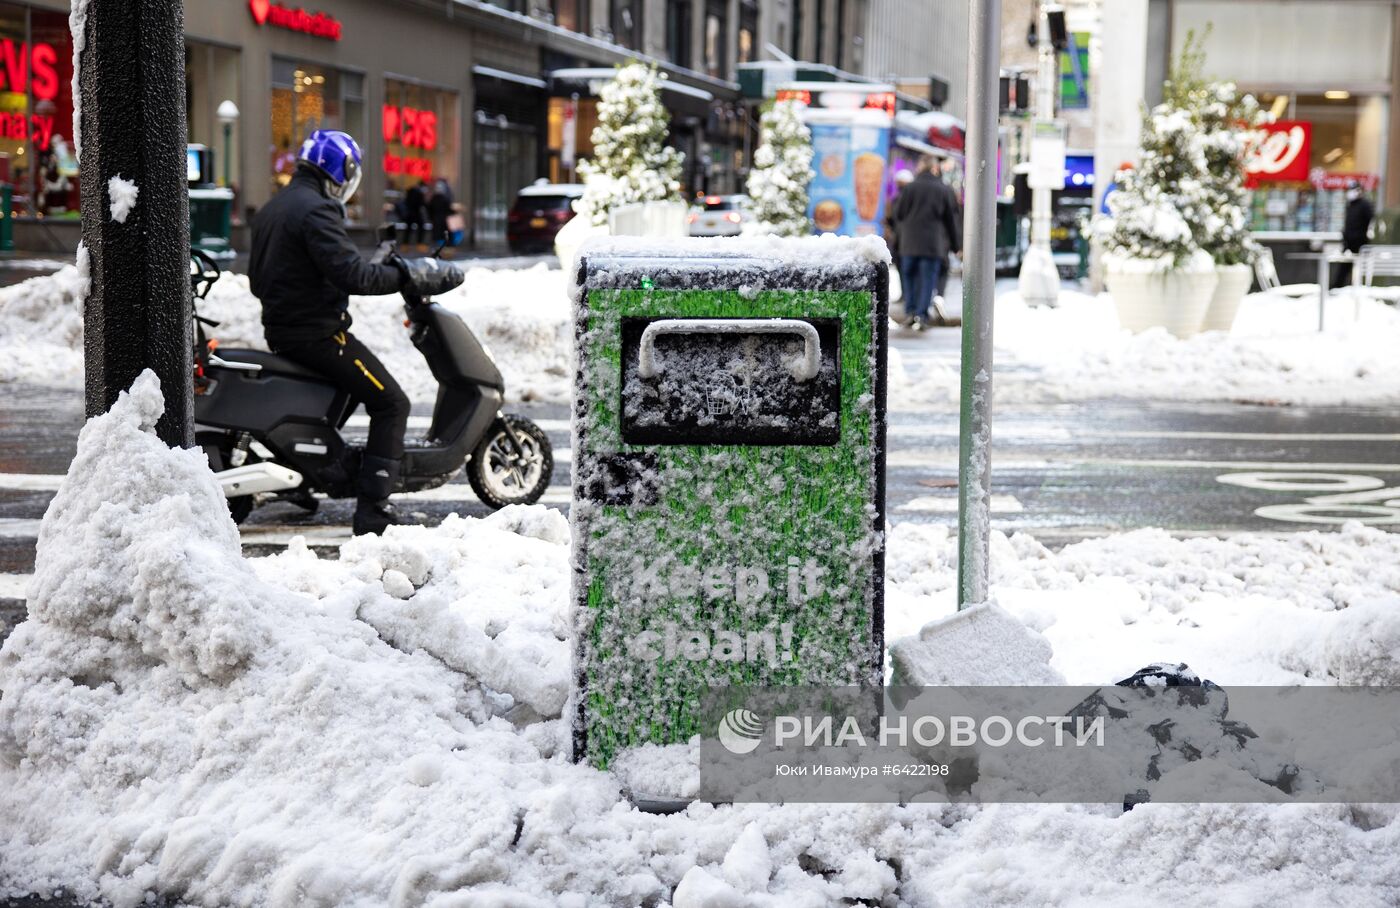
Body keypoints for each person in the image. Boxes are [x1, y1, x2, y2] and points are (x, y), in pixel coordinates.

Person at [248, 129, 411, 536]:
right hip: (319, 336)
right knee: (392, 403)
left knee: (346, 390)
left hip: (283, 330)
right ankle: (373, 510)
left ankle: (309, 471)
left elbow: (257, 278)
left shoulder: (275, 207)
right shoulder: (318, 210)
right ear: (342, 170)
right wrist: (405, 277)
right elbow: (352, 274)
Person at [890, 155, 962, 329]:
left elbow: (897, 214)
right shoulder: (944, 190)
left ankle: (910, 311)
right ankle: (921, 315)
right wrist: (956, 245)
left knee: (909, 277)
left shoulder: (909, 188)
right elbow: (951, 220)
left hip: (908, 243)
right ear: (935, 170)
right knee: (927, 279)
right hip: (932, 244)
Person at [1334, 180, 1375, 288]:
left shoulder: (1365, 205)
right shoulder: (1350, 205)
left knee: (1359, 269)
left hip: (1360, 243)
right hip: (1348, 243)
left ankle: (1355, 288)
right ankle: (1337, 288)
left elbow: (1372, 222)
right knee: (1344, 269)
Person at [428, 177, 454, 251]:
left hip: (436, 220)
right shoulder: (445, 199)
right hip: (444, 220)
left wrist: (431, 217)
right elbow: (449, 209)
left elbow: (429, 209)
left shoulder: (433, 199)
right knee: (446, 236)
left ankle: (437, 249)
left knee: (437, 236)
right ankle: (446, 249)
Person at [403, 180, 429, 251]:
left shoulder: (410, 191)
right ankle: (419, 244)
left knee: (408, 229)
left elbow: (406, 202)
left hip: (409, 213)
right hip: (416, 213)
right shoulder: (419, 193)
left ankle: (405, 245)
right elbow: (422, 204)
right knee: (421, 228)